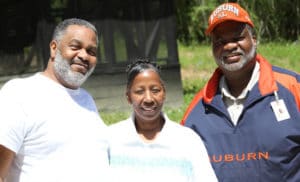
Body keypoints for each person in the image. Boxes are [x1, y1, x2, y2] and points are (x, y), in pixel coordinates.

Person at [181, 2, 300, 182]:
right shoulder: (196, 113)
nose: (229, 46)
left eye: (237, 37)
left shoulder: (292, 88)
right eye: (220, 41)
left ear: (254, 39)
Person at [0, 18, 109, 182]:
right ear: (54, 48)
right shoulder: (20, 93)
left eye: (91, 52)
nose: (84, 56)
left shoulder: (86, 100)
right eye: (75, 47)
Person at [108, 59, 217, 182]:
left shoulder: (187, 140)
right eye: (139, 92)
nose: (148, 99)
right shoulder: (112, 139)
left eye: (155, 90)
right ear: (128, 97)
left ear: (164, 93)